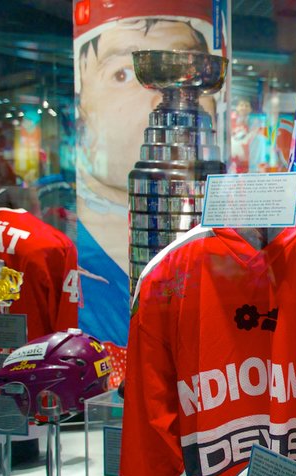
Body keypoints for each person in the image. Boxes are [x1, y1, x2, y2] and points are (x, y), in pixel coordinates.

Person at [74, 16, 215, 382]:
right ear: (81, 109)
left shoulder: (222, 246)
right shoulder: (76, 260)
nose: (156, 98)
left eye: (192, 91)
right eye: (121, 74)